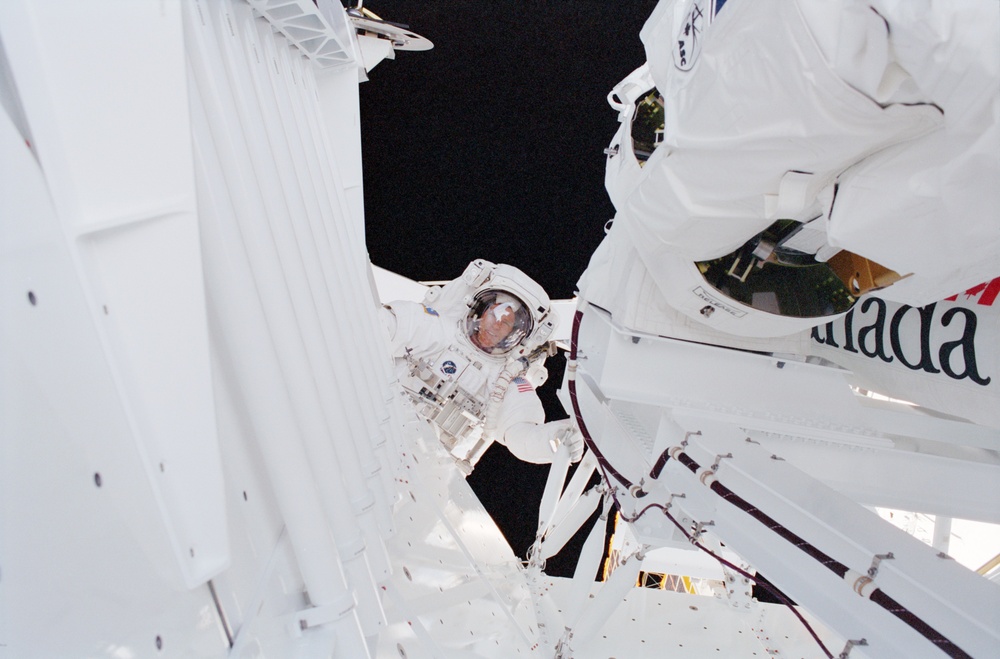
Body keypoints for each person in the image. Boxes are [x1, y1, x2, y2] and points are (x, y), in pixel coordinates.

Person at [380, 259, 584, 474]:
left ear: (515, 334)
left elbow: (521, 435)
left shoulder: (506, 380)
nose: (496, 324)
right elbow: (381, 328)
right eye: (494, 314)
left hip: (428, 473)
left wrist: (553, 441)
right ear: (482, 311)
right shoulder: (437, 329)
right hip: (378, 422)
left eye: (506, 323)